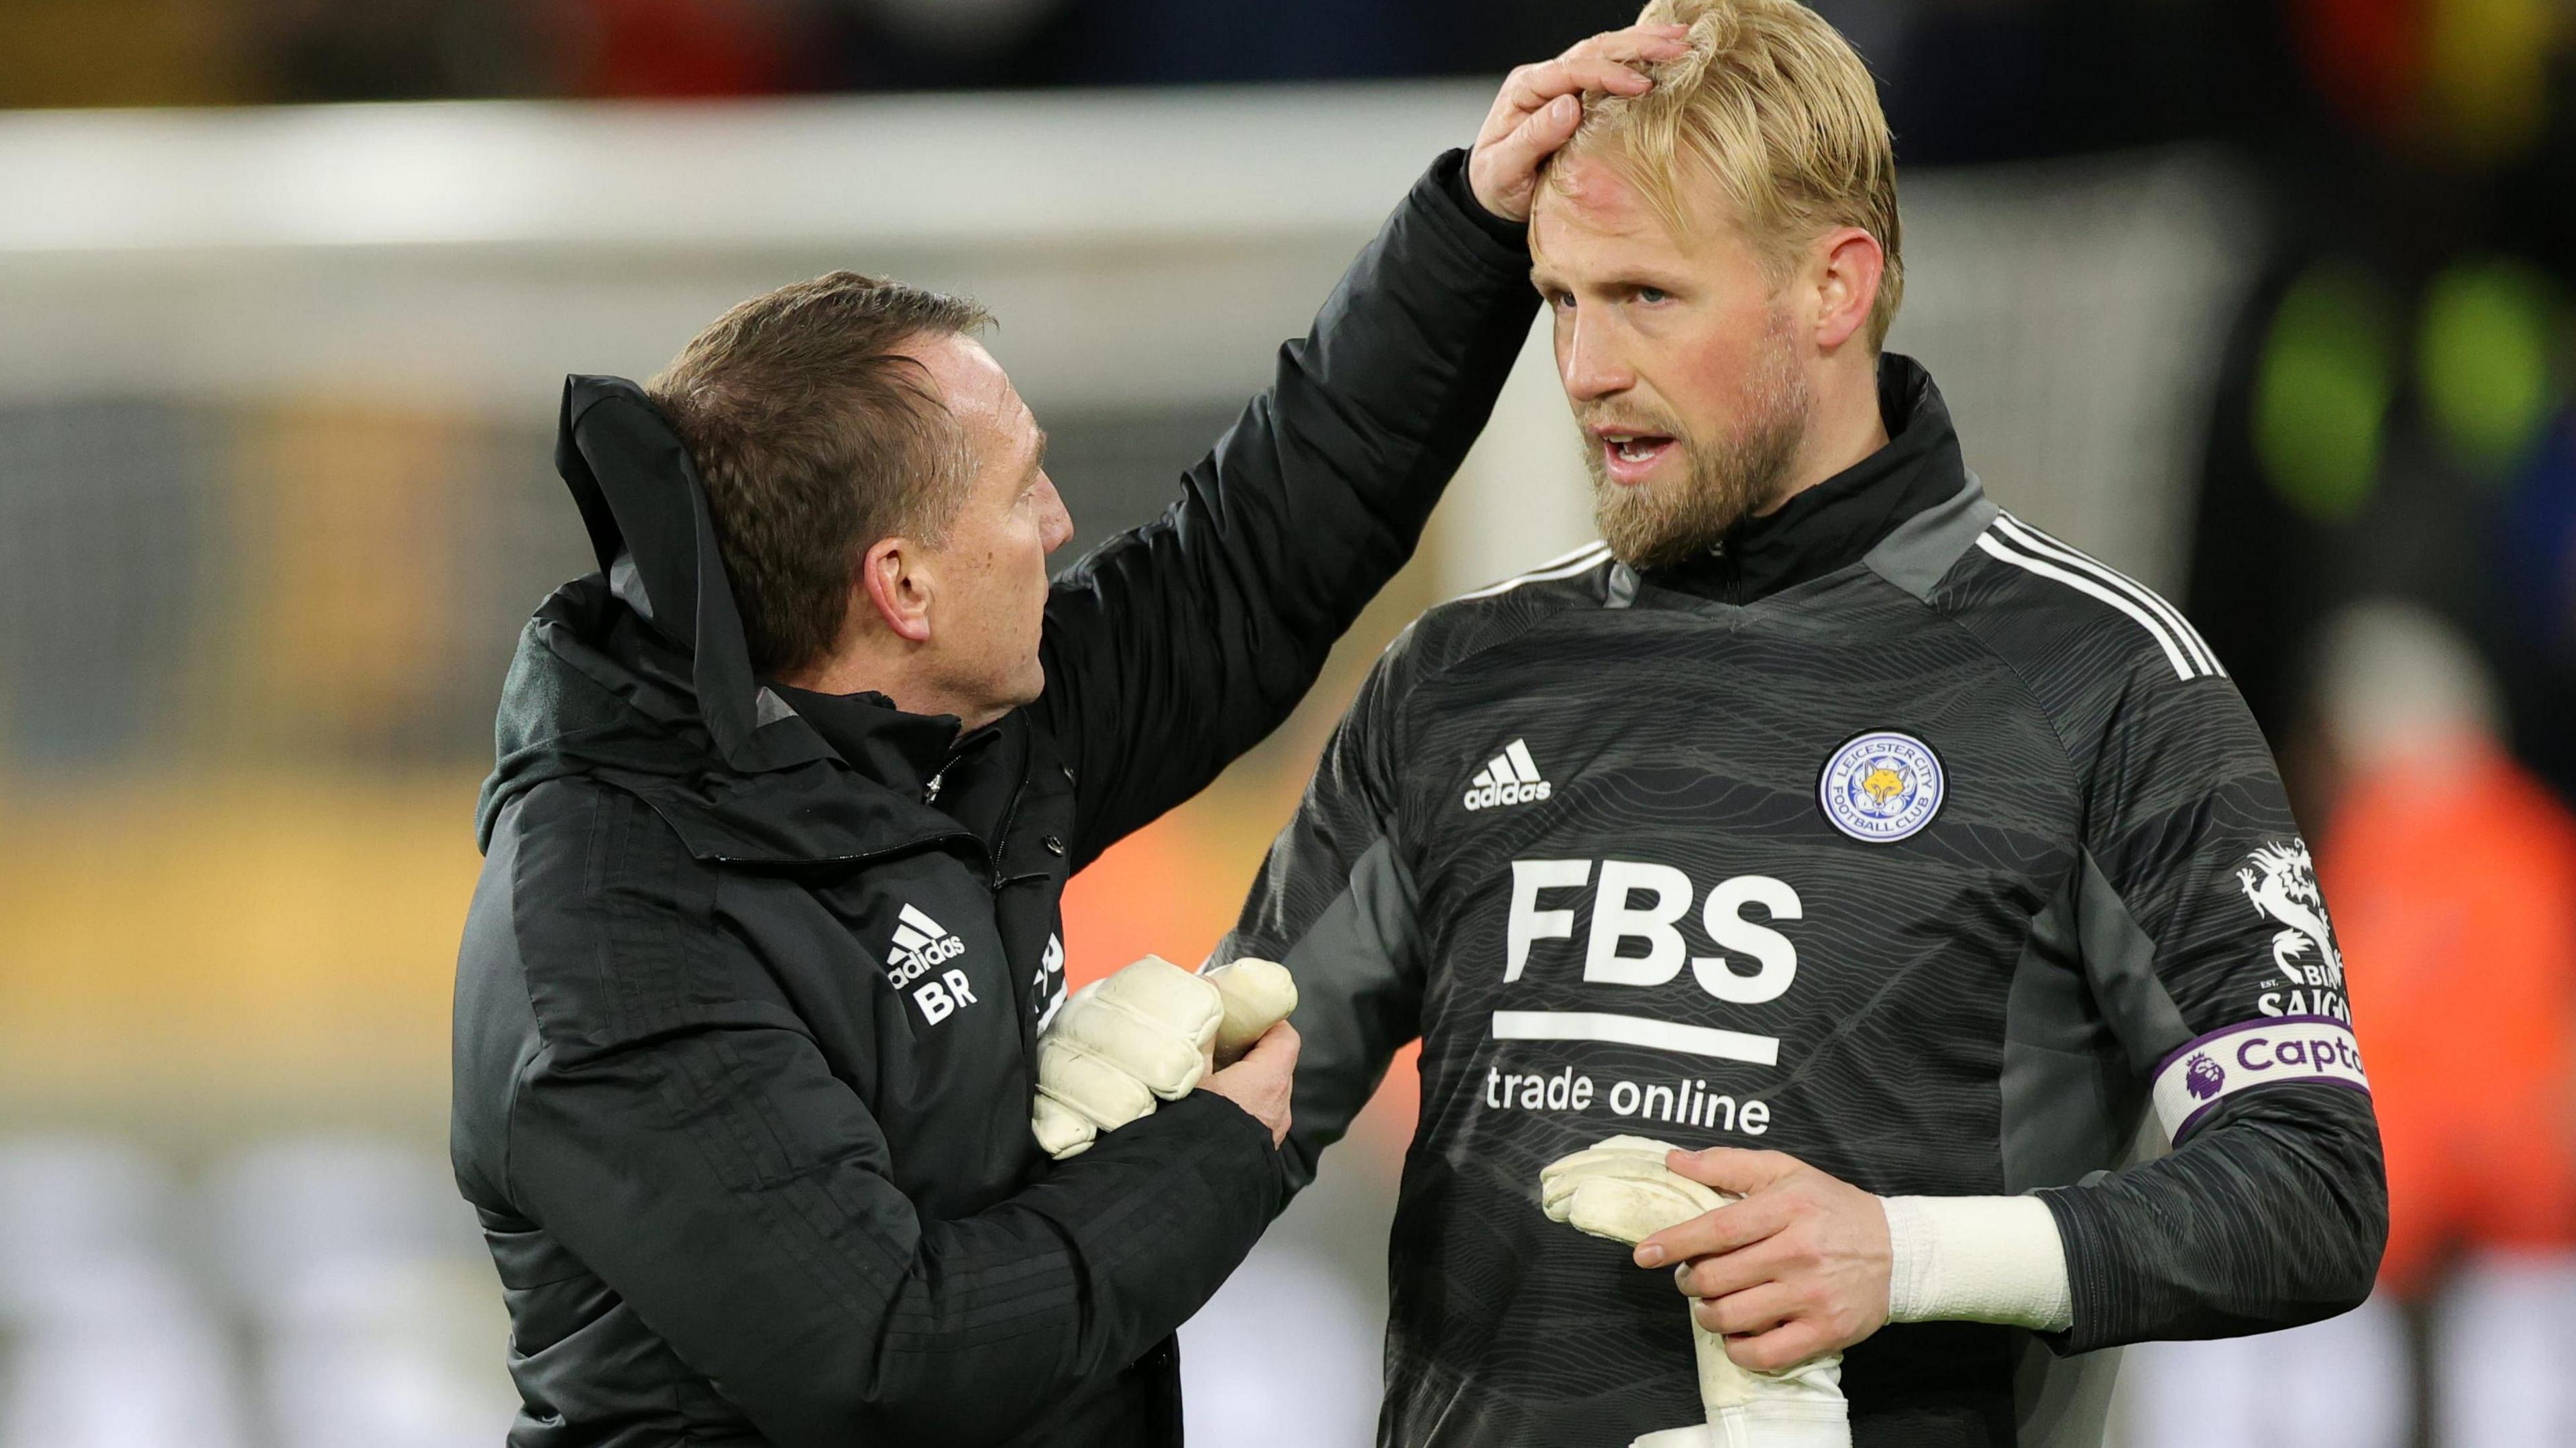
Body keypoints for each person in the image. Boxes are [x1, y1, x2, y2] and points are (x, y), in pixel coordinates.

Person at [446, 25, 1692, 1448]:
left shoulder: (941, 729)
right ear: (901, 587)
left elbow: (1253, 558)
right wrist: (1226, 1149)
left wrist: (1471, 225)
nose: (1058, 528)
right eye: (1022, 491)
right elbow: (892, 1354)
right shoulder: (614, 935)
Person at [1214, 1, 2389, 1443]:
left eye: (1647, 296)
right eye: (1562, 299)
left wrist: (1905, 1257)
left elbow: (2313, 1186)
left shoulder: (2103, 685)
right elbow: (1239, 1111)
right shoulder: (1463, 675)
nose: (1582, 370)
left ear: (1834, 288)